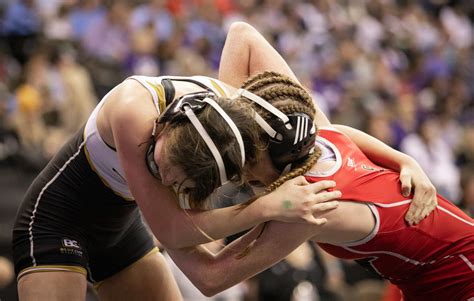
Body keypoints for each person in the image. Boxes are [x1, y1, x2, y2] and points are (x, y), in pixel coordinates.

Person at [12, 22, 435, 301]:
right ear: (163, 127)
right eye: (156, 166)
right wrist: (269, 206)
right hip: (59, 218)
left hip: (122, 229)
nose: (160, 178)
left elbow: (324, 130)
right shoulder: (132, 109)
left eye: (177, 185)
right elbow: (171, 228)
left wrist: (402, 159)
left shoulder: (238, 114)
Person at [163, 22, 474, 301]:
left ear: (282, 158)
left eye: (248, 156)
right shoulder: (320, 141)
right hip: (431, 278)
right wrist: (404, 159)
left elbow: (211, 278)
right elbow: (241, 34)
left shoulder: (312, 205)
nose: (239, 165)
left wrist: (155, 212)